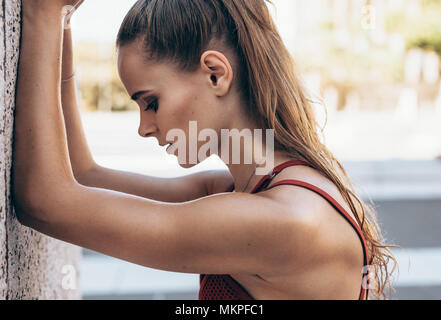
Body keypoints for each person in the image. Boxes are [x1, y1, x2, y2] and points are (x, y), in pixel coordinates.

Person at [14, 0, 396, 300]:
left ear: (215, 73)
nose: (144, 128)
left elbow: (45, 202)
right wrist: (60, 22)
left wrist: (42, 11)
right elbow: (84, 177)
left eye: (151, 102)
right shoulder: (247, 188)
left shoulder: (283, 221)